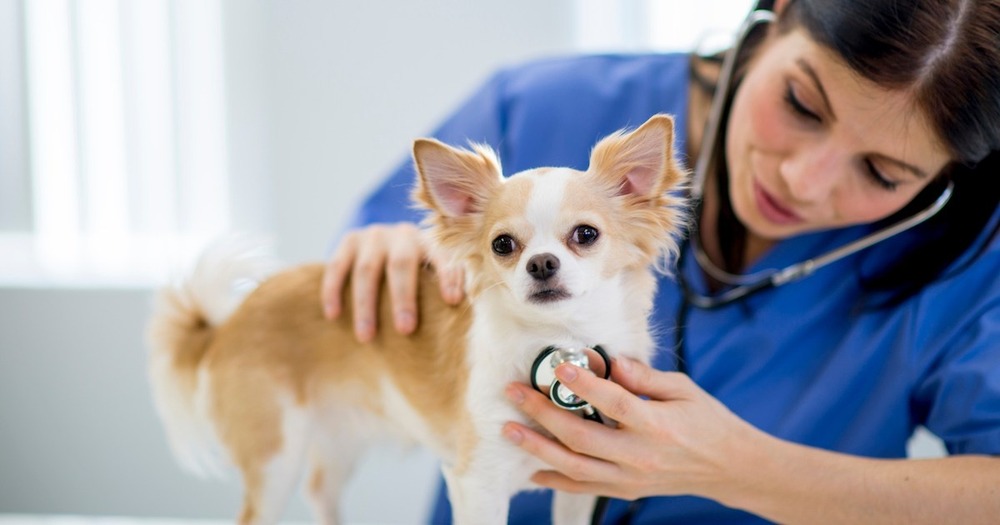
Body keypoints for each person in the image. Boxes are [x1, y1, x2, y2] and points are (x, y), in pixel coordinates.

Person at [320, 0, 1000, 522]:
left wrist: (748, 469)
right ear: (780, 13)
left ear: (950, 175)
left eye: (882, 172)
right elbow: (388, 246)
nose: (804, 178)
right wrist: (380, 257)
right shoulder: (537, 109)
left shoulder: (972, 266)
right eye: (801, 103)